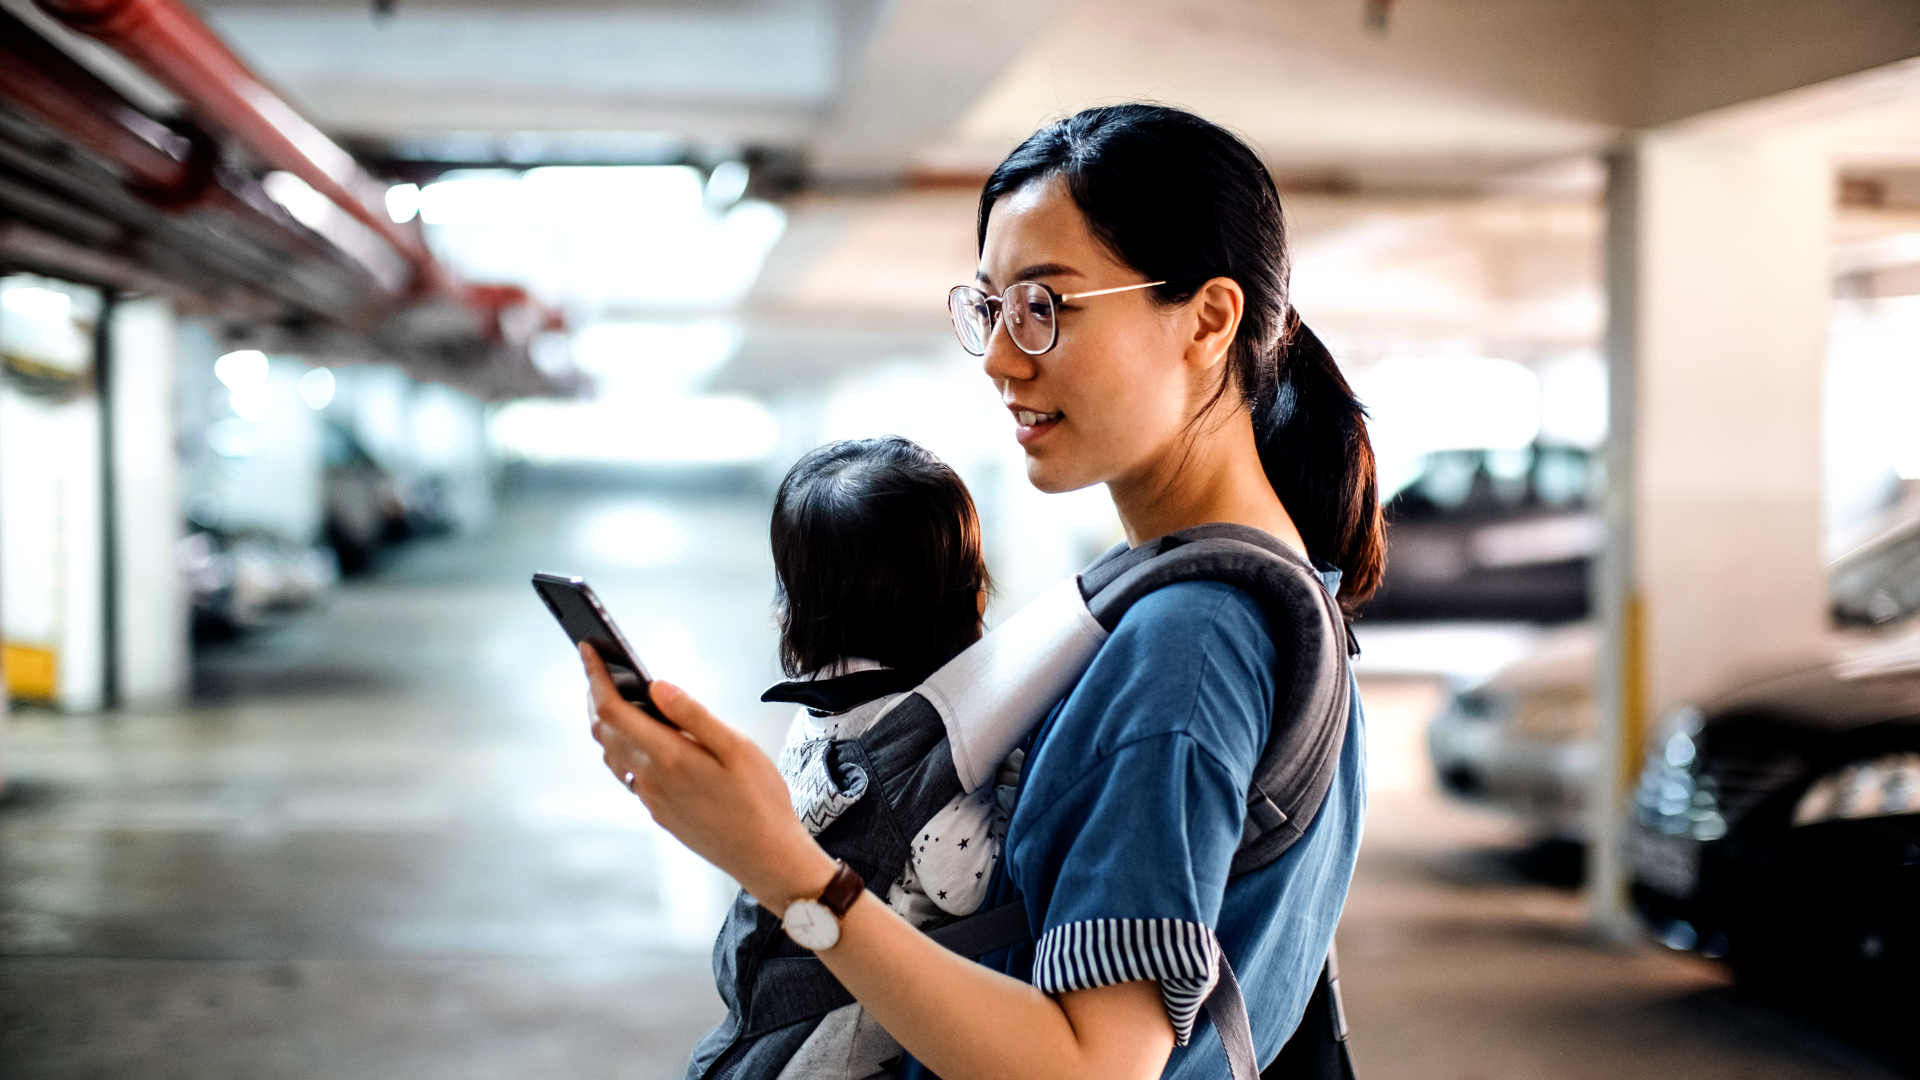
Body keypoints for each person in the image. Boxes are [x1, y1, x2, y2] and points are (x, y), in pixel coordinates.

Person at [583, 103, 1383, 1080]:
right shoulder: (1270, 597)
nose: (1004, 357)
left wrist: (782, 868)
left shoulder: (1194, 635)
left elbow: (1094, 1068)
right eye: (991, 308)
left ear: (1208, 320)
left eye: (1046, 306)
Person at [754, 435, 1011, 1078]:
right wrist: (1009, 790)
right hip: (851, 1058)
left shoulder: (818, 713)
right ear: (966, 600)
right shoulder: (920, 752)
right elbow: (965, 887)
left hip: (782, 1033)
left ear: (796, 613)